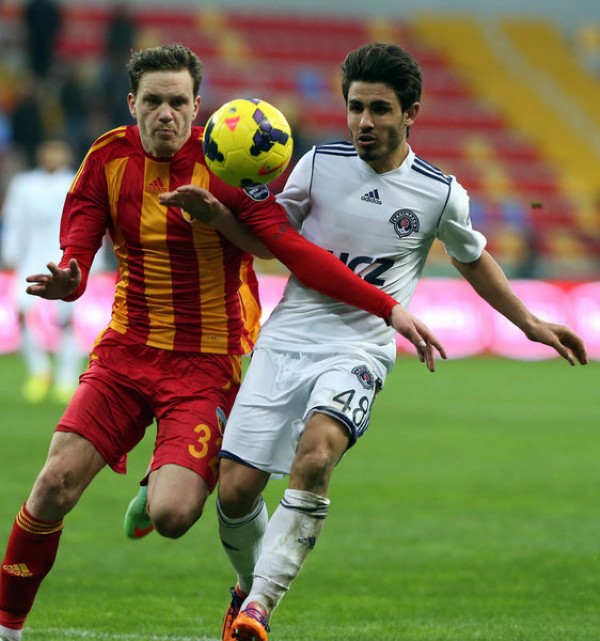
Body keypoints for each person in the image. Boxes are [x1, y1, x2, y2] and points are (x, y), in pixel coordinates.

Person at [0, 43, 443, 641]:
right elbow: (79, 242)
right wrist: (71, 277)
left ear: (196, 106)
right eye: (152, 101)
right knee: (53, 484)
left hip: (208, 364)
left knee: (173, 514)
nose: (164, 113)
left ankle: (167, 478)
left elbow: (293, 251)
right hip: (127, 352)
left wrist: (388, 307)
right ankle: (7, 628)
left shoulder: (229, 165)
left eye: (176, 102)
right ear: (132, 104)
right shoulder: (107, 157)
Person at [147, 43, 588, 641]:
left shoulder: (439, 193)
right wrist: (219, 218)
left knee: (317, 456)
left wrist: (530, 323)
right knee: (235, 491)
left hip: (360, 347)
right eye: (355, 108)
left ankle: (259, 609)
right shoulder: (316, 165)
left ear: (411, 113)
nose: (364, 122)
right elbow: (271, 242)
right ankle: (247, 588)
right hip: (289, 334)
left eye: (379, 109)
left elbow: (472, 258)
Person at [1, 138, 83, 404]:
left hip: (64, 259)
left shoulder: (74, 181)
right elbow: (14, 219)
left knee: (66, 320)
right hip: (30, 257)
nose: (52, 155)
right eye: (48, 150)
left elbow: (87, 221)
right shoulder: (24, 184)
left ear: (66, 154)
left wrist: (89, 260)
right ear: (40, 153)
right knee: (22, 313)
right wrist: (10, 252)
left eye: (57, 150)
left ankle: (66, 378)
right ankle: (40, 371)